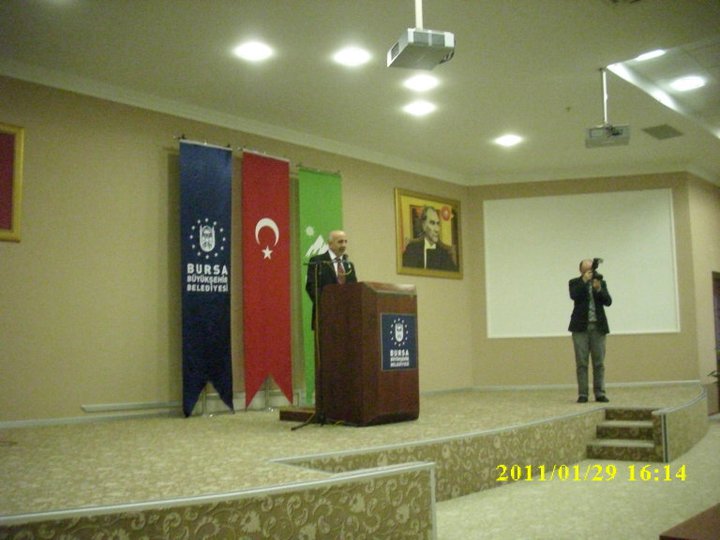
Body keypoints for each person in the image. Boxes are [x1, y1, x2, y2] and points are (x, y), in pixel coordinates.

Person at [568, 259, 612, 403]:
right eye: (587, 269)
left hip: (598, 327)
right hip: (580, 328)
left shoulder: (600, 283)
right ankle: (583, 394)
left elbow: (608, 301)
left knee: (599, 363)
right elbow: (574, 295)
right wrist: (584, 281)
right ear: (581, 271)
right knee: (581, 363)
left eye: (591, 269)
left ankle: (600, 393)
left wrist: (598, 289)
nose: (590, 272)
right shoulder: (574, 282)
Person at [305, 230, 358, 329]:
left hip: (346, 319)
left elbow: (354, 289)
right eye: (340, 242)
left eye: (345, 241)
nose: (344, 245)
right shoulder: (318, 262)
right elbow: (311, 286)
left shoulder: (349, 265)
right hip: (325, 317)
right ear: (330, 244)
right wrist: (328, 304)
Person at [402, 206, 457, 271]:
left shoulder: (445, 254)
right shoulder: (412, 249)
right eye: (432, 223)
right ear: (424, 225)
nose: (437, 229)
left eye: (438, 224)